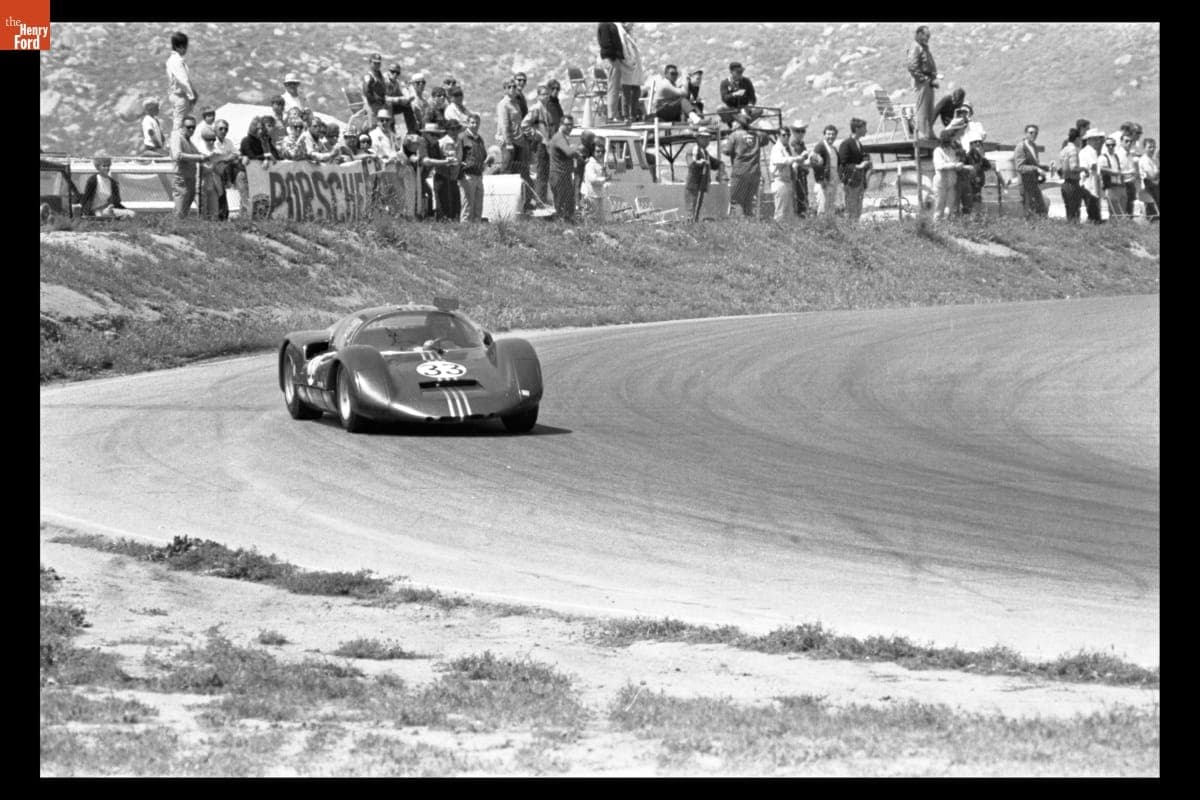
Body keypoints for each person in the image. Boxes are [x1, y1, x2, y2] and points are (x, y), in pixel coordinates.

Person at [496, 79, 531, 210]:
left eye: (514, 86)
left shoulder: (516, 103)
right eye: (509, 87)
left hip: (519, 140)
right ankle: (503, 202)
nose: (512, 89)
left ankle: (520, 203)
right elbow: (505, 124)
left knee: (520, 171)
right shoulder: (503, 104)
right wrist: (509, 142)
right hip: (509, 143)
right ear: (505, 89)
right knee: (507, 170)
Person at [169, 114, 209, 217]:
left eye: (193, 127)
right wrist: (199, 158)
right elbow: (177, 155)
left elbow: (197, 153)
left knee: (186, 205)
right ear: (182, 126)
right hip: (181, 177)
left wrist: (204, 157)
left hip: (190, 177)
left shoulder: (188, 139)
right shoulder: (177, 136)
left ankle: (180, 227)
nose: (191, 129)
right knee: (181, 207)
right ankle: (175, 227)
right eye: (188, 127)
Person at [522, 84, 554, 205]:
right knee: (541, 175)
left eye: (547, 94)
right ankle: (540, 202)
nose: (546, 96)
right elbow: (524, 125)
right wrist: (536, 135)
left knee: (545, 175)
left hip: (547, 146)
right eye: (543, 94)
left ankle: (543, 200)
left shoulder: (547, 109)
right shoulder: (536, 108)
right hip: (541, 145)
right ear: (538, 96)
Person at [723, 113, 761, 217]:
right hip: (754, 173)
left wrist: (726, 140)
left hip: (740, 173)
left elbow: (726, 151)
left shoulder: (734, 135)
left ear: (739, 123)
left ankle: (742, 226)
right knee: (748, 201)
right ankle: (749, 225)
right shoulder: (756, 135)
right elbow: (765, 139)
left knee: (737, 201)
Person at [547, 115, 583, 221]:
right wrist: (579, 146)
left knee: (569, 204)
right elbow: (568, 152)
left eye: (572, 125)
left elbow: (569, 153)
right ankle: (561, 226)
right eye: (567, 125)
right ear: (561, 125)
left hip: (564, 175)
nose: (570, 127)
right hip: (558, 175)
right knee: (561, 205)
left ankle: (567, 224)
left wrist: (578, 156)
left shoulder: (562, 138)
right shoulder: (559, 137)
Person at [837, 117, 872, 222]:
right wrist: (859, 166)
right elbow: (842, 164)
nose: (866, 130)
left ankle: (855, 232)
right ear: (857, 129)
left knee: (857, 210)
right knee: (851, 210)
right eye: (864, 128)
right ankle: (850, 233)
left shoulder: (858, 144)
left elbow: (861, 158)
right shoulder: (846, 144)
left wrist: (866, 161)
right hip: (851, 183)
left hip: (859, 182)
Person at [907, 25, 938, 140]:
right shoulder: (915, 47)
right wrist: (922, 79)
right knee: (922, 108)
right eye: (926, 36)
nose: (928, 38)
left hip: (928, 81)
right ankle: (922, 133)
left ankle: (929, 132)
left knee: (929, 108)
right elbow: (912, 66)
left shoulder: (924, 48)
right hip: (921, 82)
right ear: (919, 34)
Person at [456, 112, 487, 222]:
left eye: (477, 123)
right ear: (467, 123)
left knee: (478, 206)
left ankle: (476, 231)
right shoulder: (462, 137)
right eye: (472, 122)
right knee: (468, 205)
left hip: (479, 175)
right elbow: (458, 156)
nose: (475, 125)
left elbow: (483, 155)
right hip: (467, 176)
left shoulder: (479, 139)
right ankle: (465, 231)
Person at [684, 129, 722, 219]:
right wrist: (699, 162)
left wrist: (721, 166)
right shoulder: (694, 149)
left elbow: (715, 163)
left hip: (701, 185)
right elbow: (691, 163)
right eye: (703, 138)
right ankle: (690, 228)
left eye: (708, 138)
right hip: (694, 184)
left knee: (696, 209)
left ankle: (694, 227)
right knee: (691, 209)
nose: (706, 140)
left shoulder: (704, 152)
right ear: (698, 138)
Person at [768, 127, 805, 221]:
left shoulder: (788, 148)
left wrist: (799, 161)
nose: (787, 137)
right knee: (781, 212)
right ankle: (777, 233)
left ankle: (787, 232)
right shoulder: (776, 148)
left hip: (788, 181)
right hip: (780, 181)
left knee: (789, 212)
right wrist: (797, 159)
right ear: (778, 136)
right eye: (784, 135)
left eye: (788, 135)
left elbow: (794, 160)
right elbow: (780, 160)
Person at [211, 118, 245, 218]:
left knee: (222, 195)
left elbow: (236, 153)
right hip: (214, 173)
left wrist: (227, 158)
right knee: (219, 196)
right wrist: (227, 157)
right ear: (215, 130)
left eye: (226, 129)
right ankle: (220, 217)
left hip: (224, 172)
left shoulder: (228, 142)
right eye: (221, 129)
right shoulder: (212, 142)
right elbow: (214, 157)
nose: (223, 131)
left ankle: (222, 217)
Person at [1013, 124, 1049, 218]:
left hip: (1034, 183)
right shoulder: (1021, 147)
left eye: (1036, 133)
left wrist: (1045, 168)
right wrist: (1036, 169)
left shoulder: (1034, 146)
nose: (1033, 135)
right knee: (1029, 210)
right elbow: (1020, 167)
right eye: (1031, 132)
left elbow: (1034, 164)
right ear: (1026, 133)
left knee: (1041, 209)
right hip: (1025, 184)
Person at [165, 31, 198, 133]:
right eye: (185, 47)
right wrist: (191, 95)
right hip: (180, 96)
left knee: (179, 121)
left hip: (174, 94)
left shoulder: (170, 60)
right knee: (179, 123)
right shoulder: (178, 61)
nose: (186, 50)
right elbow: (183, 80)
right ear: (179, 47)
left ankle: (179, 142)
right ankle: (176, 145)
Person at [194, 126, 224, 220]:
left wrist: (214, 165)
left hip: (214, 186)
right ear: (203, 139)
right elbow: (197, 170)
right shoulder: (198, 151)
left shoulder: (217, 151)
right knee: (202, 212)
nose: (211, 142)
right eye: (208, 139)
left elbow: (220, 171)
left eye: (213, 139)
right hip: (202, 185)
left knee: (214, 213)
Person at [597, 23, 625, 123]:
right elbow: (605, 43)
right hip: (611, 59)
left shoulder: (609, 24)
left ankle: (614, 113)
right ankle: (612, 115)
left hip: (612, 58)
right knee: (613, 87)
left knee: (615, 87)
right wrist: (614, 55)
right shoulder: (605, 25)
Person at [932, 127, 962, 219]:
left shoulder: (951, 151)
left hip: (951, 183)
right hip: (941, 184)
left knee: (949, 208)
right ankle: (936, 226)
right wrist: (954, 165)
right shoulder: (938, 151)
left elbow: (954, 163)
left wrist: (958, 165)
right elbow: (939, 166)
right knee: (939, 207)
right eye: (951, 138)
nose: (952, 140)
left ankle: (947, 227)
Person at [959, 132, 992, 216]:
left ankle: (977, 219)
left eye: (979, 142)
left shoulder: (979, 156)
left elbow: (988, 166)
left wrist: (982, 158)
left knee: (977, 203)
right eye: (975, 142)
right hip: (970, 185)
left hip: (978, 185)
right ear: (970, 144)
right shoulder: (967, 156)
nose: (978, 144)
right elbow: (962, 169)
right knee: (970, 204)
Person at [810, 124, 840, 217]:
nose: (831, 136)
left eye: (833, 134)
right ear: (824, 135)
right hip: (823, 183)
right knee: (822, 209)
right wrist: (821, 179)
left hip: (833, 183)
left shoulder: (833, 148)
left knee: (830, 210)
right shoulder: (820, 146)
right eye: (828, 134)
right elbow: (813, 162)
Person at [617, 23, 644, 122]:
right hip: (626, 64)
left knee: (636, 91)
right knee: (626, 91)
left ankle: (633, 113)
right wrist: (628, 61)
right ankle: (626, 115)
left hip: (633, 64)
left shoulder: (630, 34)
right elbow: (624, 48)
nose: (632, 25)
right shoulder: (620, 33)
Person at [1077, 128, 1106, 224]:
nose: (1097, 141)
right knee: (1093, 208)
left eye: (1097, 139)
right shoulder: (1089, 151)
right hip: (1089, 183)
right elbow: (1093, 165)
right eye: (1094, 139)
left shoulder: (1088, 151)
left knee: (1094, 207)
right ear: (1089, 140)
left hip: (1091, 182)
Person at [1058, 127, 1085, 222]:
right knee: (1075, 212)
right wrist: (1084, 169)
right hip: (1073, 183)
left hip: (1065, 183)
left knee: (1069, 212)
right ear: (1077, 139)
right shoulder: (1073, 150)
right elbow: (1074, 168)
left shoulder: (1064, 149)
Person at [787, 121, 812, 217]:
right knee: (799, 199)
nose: (801, 133)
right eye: (798, 131)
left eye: (802, 131)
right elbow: (797, 162)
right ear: (793, 132)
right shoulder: (793, 145)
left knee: (803, 198)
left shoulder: (801, 144)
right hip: (796, 176)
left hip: (802, 175)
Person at [581, 141, 611, 219]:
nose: (600, 153)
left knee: (601, 218)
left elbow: (606, 178)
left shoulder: (600, 164)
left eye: (602, 151)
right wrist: (605, 179)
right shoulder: (590, 164)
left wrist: (606, 174)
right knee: (591, 218)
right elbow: (593, 180)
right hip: (592, 195)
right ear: (593, 152)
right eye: (598, 151)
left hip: (600, 194)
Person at [385, 63, 417, 133]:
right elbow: (382, 98)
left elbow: (400, 94)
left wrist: (407, 99)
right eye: (393, 72)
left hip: (393, 108)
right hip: (384, 107)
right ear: (388, 71)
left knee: (408, 107)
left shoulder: (396, 83)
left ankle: (411, 130)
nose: (395, 74)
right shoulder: (384, 82)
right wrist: (398, 99)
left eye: (397, 73)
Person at [1138, 138, 1159, 221]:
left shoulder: (1153, 160)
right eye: (1150, 147)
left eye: (1154, 147)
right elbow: (1152, 176)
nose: (1152, 149)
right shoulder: (1144, 160)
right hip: (1149, 188)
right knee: (1152, 213)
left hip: (1155, 186)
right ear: (1144, 148)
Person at [362, 53, 388, 119]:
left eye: (379, 63)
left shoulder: (379, 74)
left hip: (382, 103)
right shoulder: (369, 76)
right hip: (373, 105)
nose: (377, 65)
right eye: (375, 63)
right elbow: (366, 92)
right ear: (370, 62)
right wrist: (375, 101)